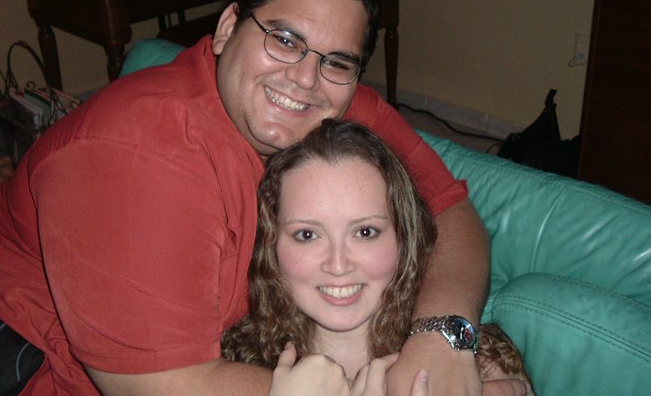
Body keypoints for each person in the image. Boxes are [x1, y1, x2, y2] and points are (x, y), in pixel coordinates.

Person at [0, 0, 526, 395]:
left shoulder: (332, 102)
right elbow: (160, 385)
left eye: (336, 62)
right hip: (10, 358)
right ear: (227, 28)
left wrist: (443, 340)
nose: (304, 78)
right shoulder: (135, 156)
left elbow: (451, 212)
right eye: (284, 39)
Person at [221, 119, 533, 395]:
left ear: (404, 238)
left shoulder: (474, 366)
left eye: (365, 232)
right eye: (307, 235)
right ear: (271, 245)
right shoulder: (234, 367)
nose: (338, 265)